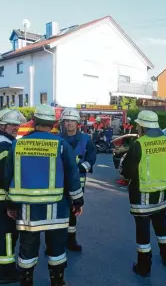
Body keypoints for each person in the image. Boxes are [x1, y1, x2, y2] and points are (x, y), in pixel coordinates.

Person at [4, 104, 84, 286]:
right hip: (57, 209)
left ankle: (26, 281)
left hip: (28, 211)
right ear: (54, 124)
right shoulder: (61, 145)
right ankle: (57, 281)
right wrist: (77, 201)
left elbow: (8, 177)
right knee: (56, 249)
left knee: (27, 250)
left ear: (34, 122)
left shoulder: (18, 144)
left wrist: (10, 204)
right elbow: (72, 174)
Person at [121, 110, 166, 277]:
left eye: (138, 125)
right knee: (162, 226)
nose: (137, 127)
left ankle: (144, 266)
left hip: (142, 195)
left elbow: (128, 171)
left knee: (143, 232)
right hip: (161, 194)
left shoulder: (139, 144)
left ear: (143, 126)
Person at [0, 109, 26, 282]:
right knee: (7, 235)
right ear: (2, 125)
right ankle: (7, 272)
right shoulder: (4, 146)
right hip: (2, 198)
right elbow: (5, 177)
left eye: (17, 124)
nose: (16, 128)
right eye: (12, 124)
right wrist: (12, 203)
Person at [59, 108, 96, 252]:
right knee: (59, 212)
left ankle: (71, 240)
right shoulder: (58, 139)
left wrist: (82, 168)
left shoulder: (86, 139)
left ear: (77, 123)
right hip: (59, 182)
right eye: (66, 121)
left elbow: (92, 157)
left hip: (78, 183)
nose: (69, 124)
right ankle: (57, 241)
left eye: (71, 121)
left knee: (74, 210)